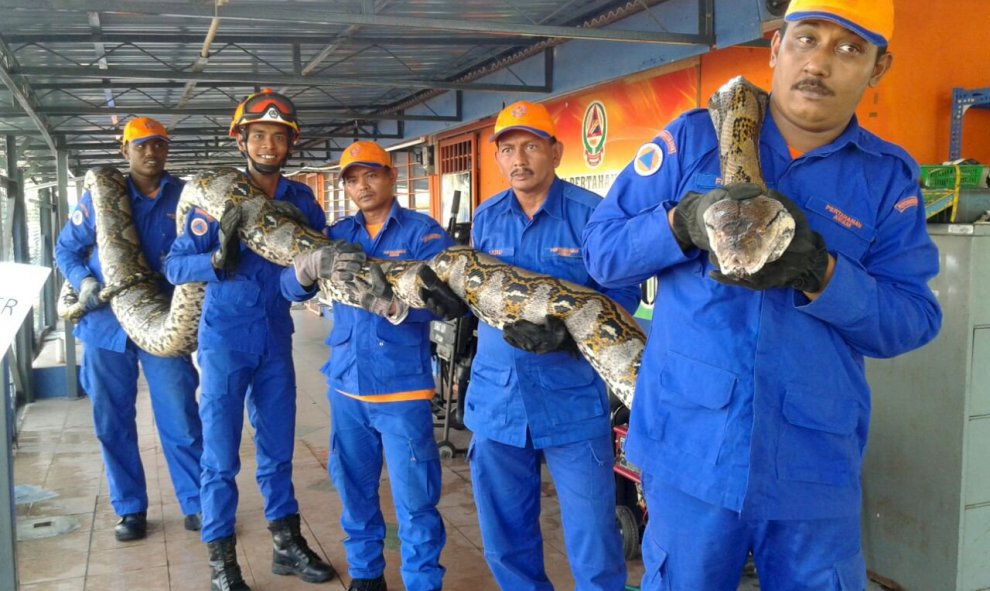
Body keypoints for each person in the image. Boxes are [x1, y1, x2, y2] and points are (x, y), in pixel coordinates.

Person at [582, 1, 943, 588]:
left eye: (850, 48)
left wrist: (820, 273)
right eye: (807, 39)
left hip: (812, 459)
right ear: (776, 48)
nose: (820, 62)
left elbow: (912, 319)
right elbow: (603, 252)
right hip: (690, 447)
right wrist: (681, 223)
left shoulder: (886, 177)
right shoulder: (692, 141)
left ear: (878, 69)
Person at [164, 90, 334, 590]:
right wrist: (214, 262)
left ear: (290, 144)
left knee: (279, 448)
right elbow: (174, 265)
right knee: (220, 455)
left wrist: (308, 278)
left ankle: (285, 542)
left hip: (276, 337)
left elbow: (308, 269)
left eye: (278, 137)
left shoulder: (300, 201)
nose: (268, 144)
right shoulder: (215, 198)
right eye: (258, 135)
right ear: (241, 140)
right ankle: (221, 557)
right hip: (224, 343)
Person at [466, 101, 638, 591]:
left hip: (571, 398)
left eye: (531, 146)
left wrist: (569, 336)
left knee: (593, 536)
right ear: (498, 158)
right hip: (497, 400)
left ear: (556, 151)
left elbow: (622, 293)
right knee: (505, 537)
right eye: (508, 149)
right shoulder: (485, 219)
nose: (519, 159)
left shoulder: (592, 215)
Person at [284, 140, 466, 591]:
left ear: (390, 176)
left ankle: (423, 581)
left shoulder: (423, 234)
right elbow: (290, 290)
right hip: (346, 386)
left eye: (371, 175)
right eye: (351, 179)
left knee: (415, 499)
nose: (362, 186)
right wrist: (305, 270)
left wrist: (404, 310)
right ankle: (366, 575)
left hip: (401, 389)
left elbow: (452, 303)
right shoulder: (338, 234)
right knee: (354, 491)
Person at [54, 116, 203, 542]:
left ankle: (194, 502)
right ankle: (130, 507)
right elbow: (66, 247)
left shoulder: (184, 196)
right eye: (141, 146)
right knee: (111, 419)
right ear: (125, 151)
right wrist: (84, 281)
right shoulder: (101, 196)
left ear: (167, 149)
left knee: (180, 415)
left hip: (161, 320)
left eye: (158, 145)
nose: (151, 153)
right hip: (105, 326)